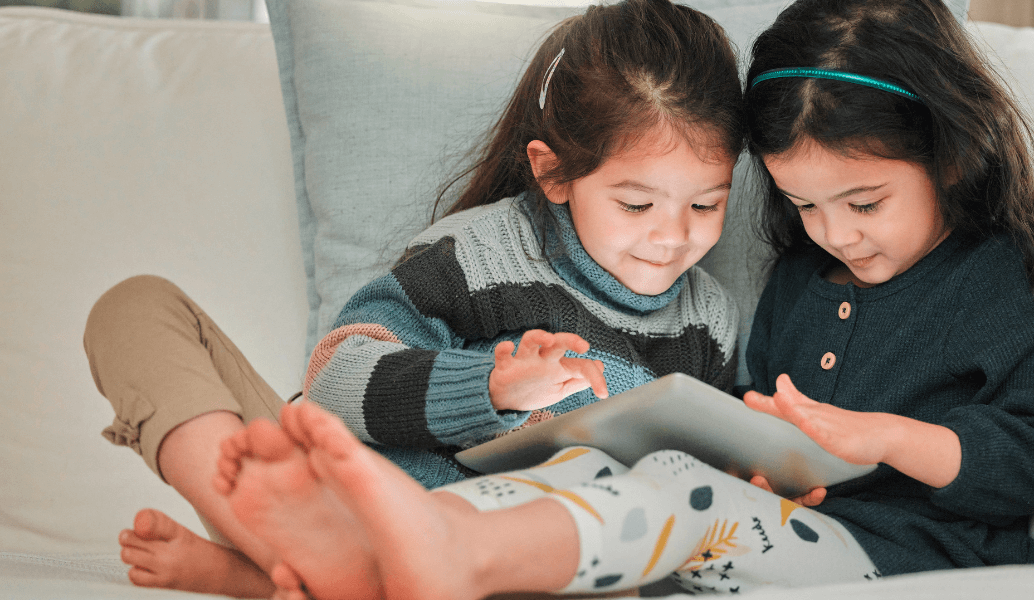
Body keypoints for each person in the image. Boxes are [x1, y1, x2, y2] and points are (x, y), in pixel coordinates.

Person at [210, 0, 1034, 597]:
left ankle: (442, 553)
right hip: (762, 537)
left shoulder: (1010, 283)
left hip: (897, 561)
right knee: (612, 480)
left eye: (865, 203)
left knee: (676, 494)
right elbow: (751, 420)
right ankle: (392, 552)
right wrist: (761, 458)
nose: (835, 233)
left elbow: (1029, 460)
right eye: (802, 205)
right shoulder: (803, 281)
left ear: (948, 151)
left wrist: (881, 437)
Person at [82, 0, 743, 596]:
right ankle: (292, 553)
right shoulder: (479, 256)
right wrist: (492, 388)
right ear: (554, 173)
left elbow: (685, 486)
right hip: (343, 495)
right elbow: (335, 386)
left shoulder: (709, 318)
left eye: (707, 204)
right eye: (635, 204)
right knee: (135, 308)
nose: (672, 236)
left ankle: (284, 576)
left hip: (507, 552)